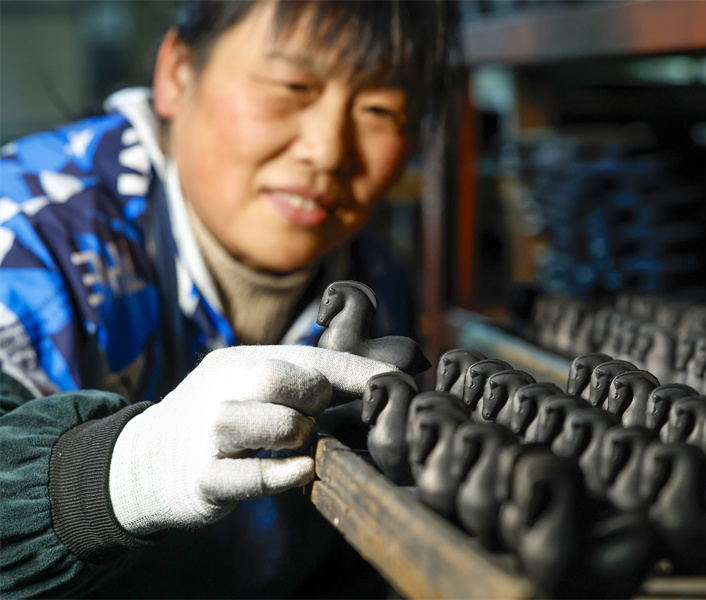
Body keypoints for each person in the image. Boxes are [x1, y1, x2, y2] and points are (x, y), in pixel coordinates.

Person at [0, 1, 459, 597]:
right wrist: (126, 471)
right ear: (177, 72)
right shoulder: (27, 240)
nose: (327, 151)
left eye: (380, 110)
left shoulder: (376, 282)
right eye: (291, 86)